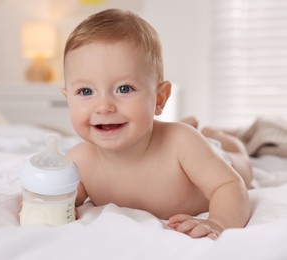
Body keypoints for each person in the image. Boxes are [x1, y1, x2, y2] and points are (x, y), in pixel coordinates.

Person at [61, 8, 252, 239]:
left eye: (124, 89)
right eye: (85, 91)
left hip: (218, 157)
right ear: (67, 98)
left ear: (159, 99)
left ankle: (220, 136)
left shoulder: (182, 143)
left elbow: (230, 185)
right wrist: (57, 205)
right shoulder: (79, 161)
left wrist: (219, 222)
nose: (104, 107)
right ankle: (200, 128)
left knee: (240, 160)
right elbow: (65, 198)